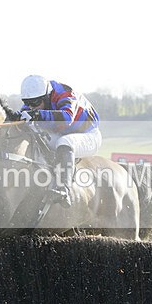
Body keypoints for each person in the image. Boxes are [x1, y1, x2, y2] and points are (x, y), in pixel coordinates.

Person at [17, 75, 101, 208]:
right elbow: (24, 116)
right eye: (27, 103)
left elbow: (66, 118)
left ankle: (64, 189)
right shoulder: (36, 98)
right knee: (32, 131)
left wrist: (38, 115)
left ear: (47, 96)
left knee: (65, 142)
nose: (31, 107)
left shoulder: (65, 93)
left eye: (35, 104)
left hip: (88, 135)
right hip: (61, 133)